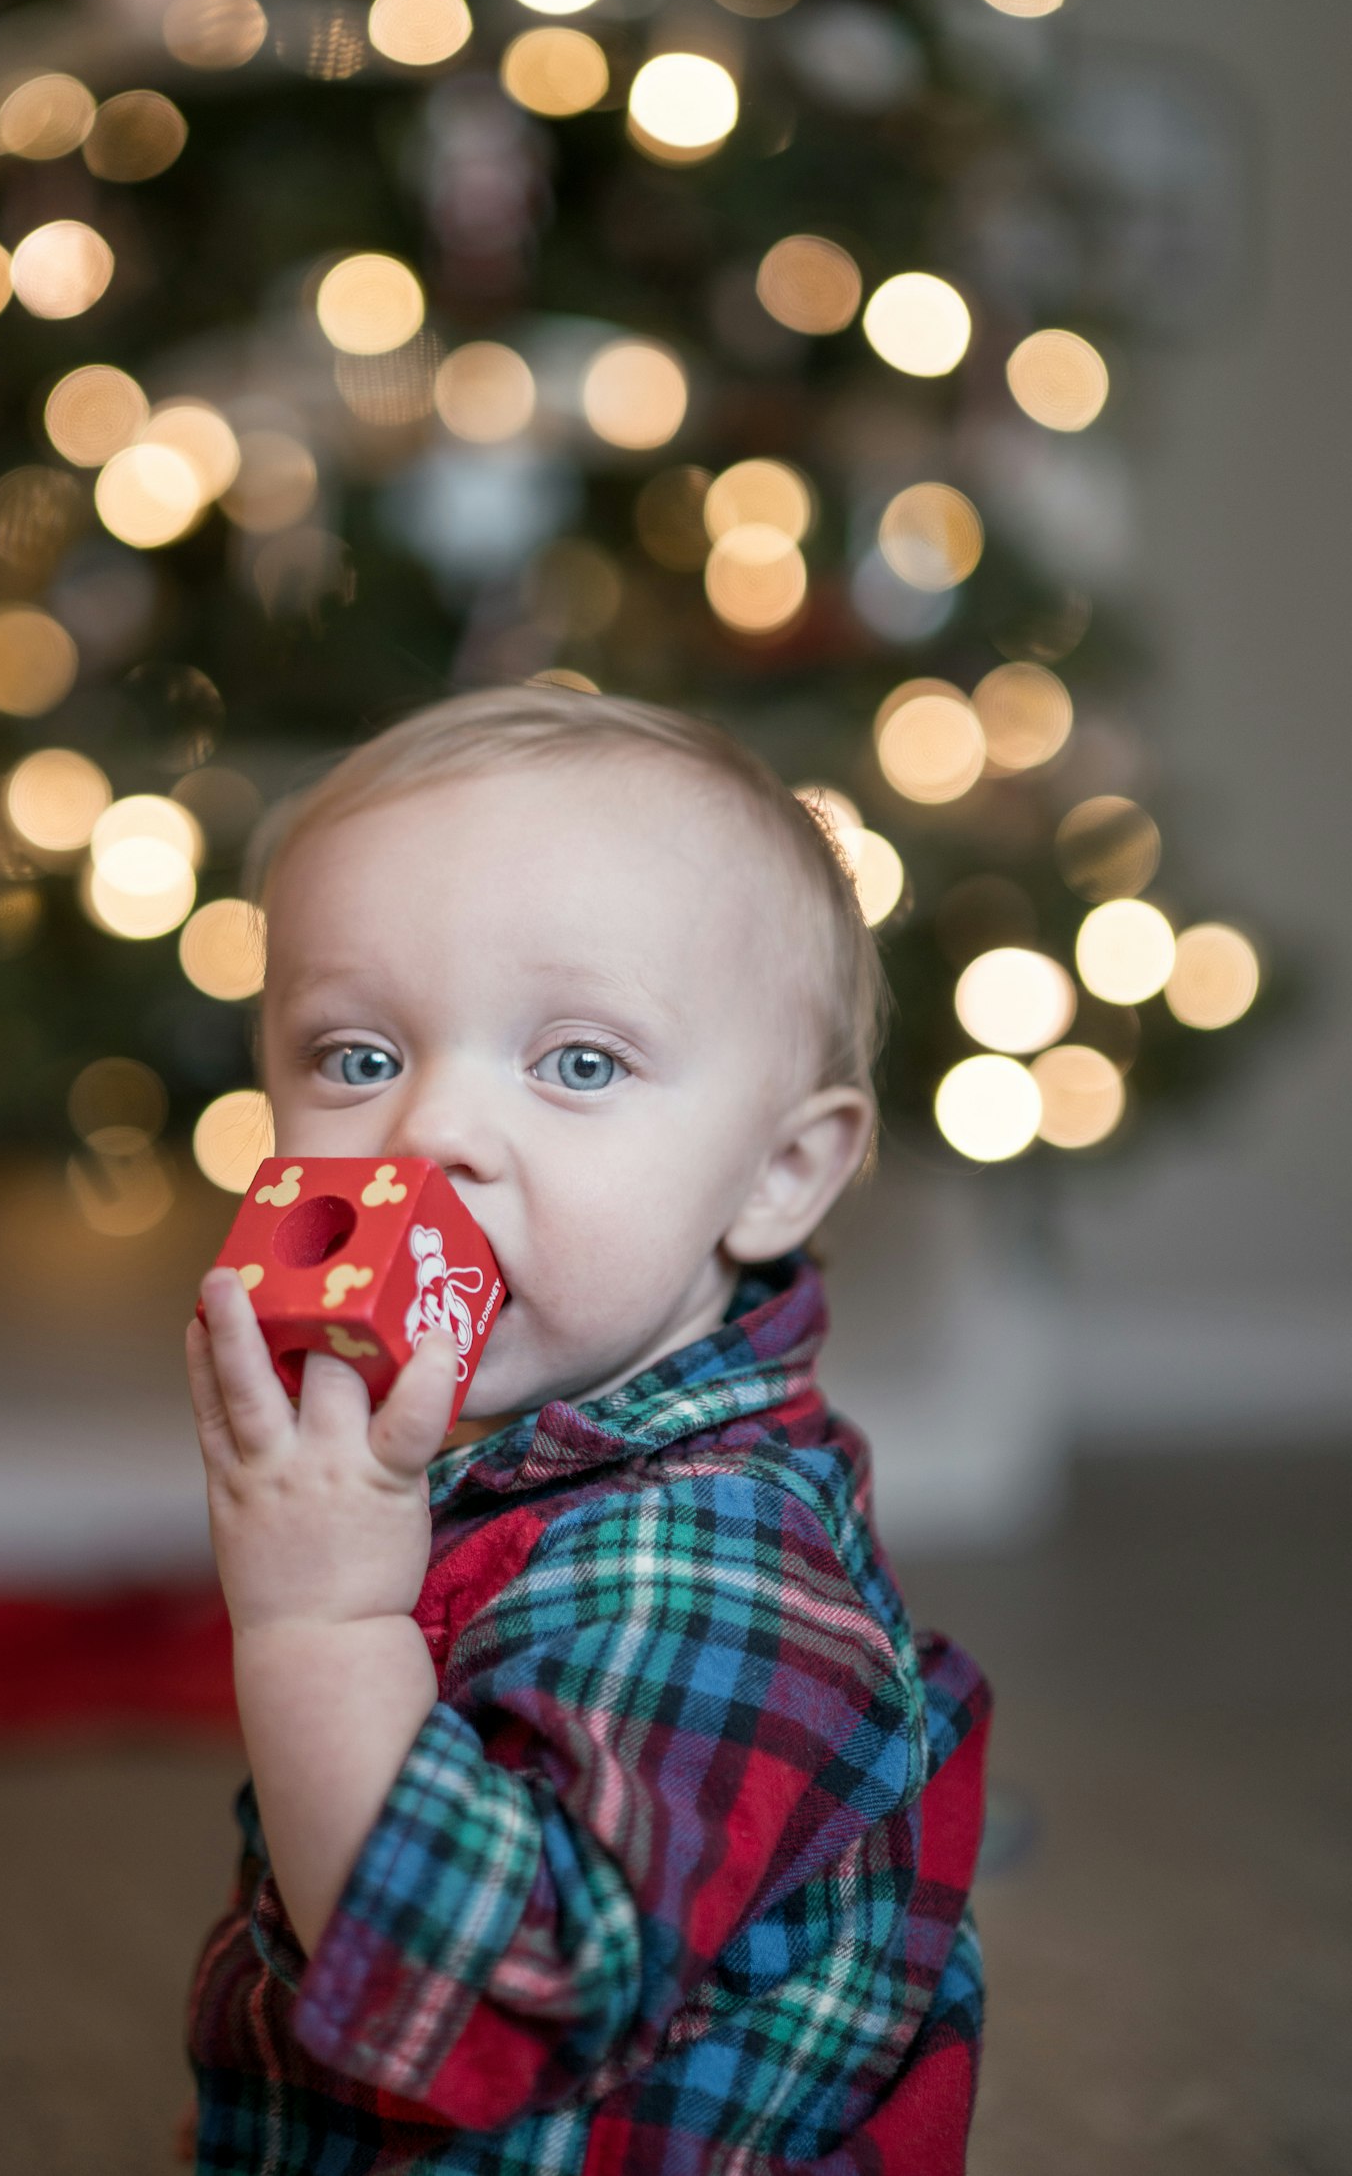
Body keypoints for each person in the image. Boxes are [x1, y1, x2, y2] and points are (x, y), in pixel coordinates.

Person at [182, 685, 992, 2173]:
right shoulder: (509, 1450)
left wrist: (318, 1622)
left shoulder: (717, 1563)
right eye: (356, 1057)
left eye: (580, 1063)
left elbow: (490, 1999)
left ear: (779, 1174)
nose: (430, 1137)